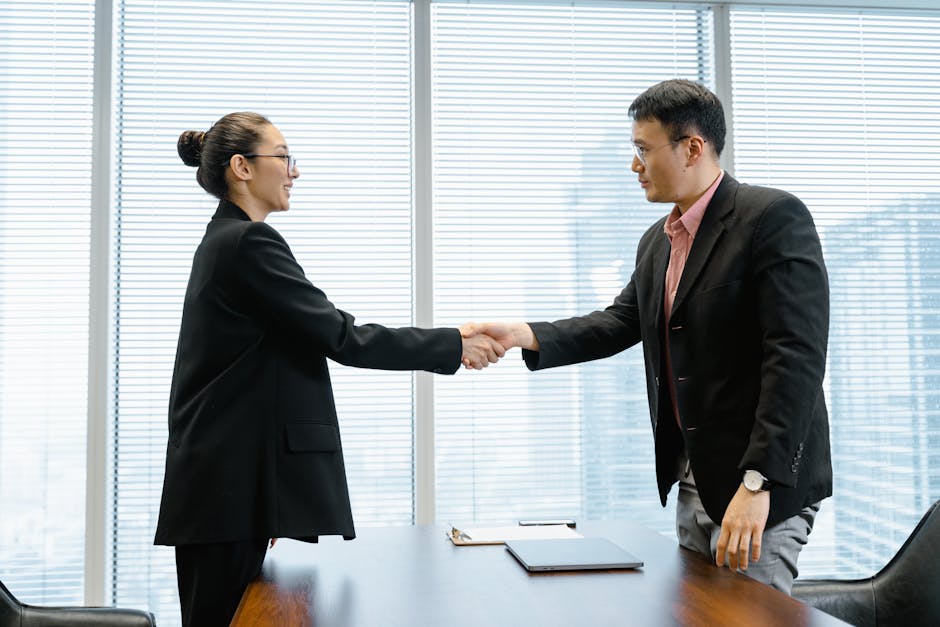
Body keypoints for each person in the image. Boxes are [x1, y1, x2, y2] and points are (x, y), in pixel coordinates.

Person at [462, 79, 831, 594]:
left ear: (693, 148)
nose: (634, 165)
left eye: (642, 150)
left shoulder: (770, 218)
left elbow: (797, 359)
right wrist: (522, 333)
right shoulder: (657, 243)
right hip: (695, 482)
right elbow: (619, 323)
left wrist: (757, 483)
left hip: (758, 488)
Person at [154, 111, 505, 627]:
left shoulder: (228, 242)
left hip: (226, 491)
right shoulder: (247, 244)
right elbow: (341, 337)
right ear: (241, 168)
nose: (295, 171)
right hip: (224, 495)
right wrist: (455, 343)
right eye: (284, 157)